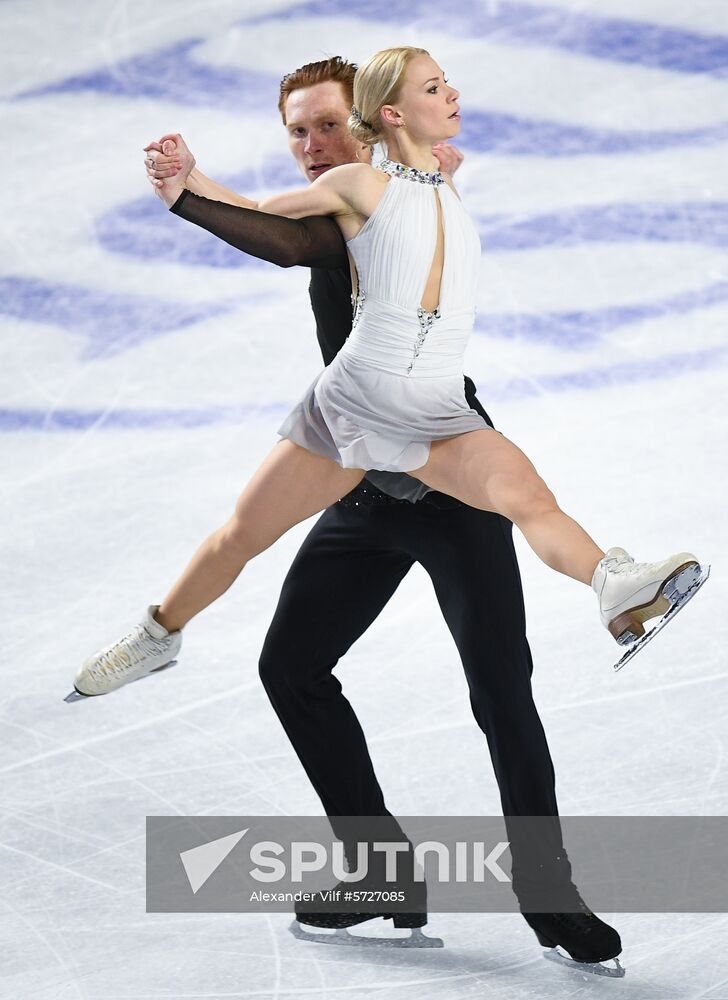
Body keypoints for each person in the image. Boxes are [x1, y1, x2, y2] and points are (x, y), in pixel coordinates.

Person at [73, 44, 700, 963]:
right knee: (290, 665)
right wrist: (203, 188)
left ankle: (551, 894)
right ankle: (377, 869)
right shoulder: (367, 191)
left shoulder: (367, 196)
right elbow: (303, 225)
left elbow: (296, 238)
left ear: (368, 124)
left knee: (502, 691)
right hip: (361, 477)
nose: (316, 146)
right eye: (298, 133)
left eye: (331, 125)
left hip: (446, 478)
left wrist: (202, 191)